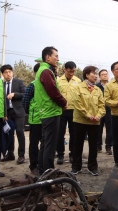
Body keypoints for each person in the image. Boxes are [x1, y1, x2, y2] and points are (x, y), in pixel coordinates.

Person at [34, 46, 67, 174]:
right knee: (50, 144)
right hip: (51, 111)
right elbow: (53, 91)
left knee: (45, 143)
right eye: (56, 56)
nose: (58, 59)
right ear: (48, 57)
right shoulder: (46, 72)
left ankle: (43, 170)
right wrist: (64, 102)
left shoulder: (43, 70)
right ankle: (48, 172)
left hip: (46, 111)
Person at [71, 66, 105, 176]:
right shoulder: (78, 87)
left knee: (93, 145)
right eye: (93, 73)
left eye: (96, 74)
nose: (96, 76)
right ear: (86, 75)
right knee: (78, 144)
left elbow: (102, 106)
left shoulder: (98, 90)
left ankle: (93, 167)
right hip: (80, 120)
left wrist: (99, 115)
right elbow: (77, 103)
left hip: (94, 121)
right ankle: (76, 167)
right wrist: (88, 115)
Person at [0, 64, 26, 164]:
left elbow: (25, 94)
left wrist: (15, 94)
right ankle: (10, 154)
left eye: (9, 72)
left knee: (19, 132)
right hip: (8, 113)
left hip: (19, 111)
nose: (8, 74)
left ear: (12, 72)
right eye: (5, 73)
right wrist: (4, 113)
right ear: (2, 74)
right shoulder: (1, 84)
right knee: (9, 133)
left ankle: (21, 155)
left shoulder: (18, 82)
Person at [56, 61, 81, 164]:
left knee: (74, 133)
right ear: (64, 70)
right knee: (60, 133)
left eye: (73, 71)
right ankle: (60, 154)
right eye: (70, 71)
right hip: (61, 110)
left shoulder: (78, 81)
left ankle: (72, 154)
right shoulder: (58, 81)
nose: (72, 73)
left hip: (74, 110)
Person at [22, 63, 42, 175]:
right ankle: (34, 165)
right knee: (34, 143)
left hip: (47, 119)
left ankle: (43, 164)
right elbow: (25, 102)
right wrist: (32, 113)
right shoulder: (32, 85)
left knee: (45, 144)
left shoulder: (50, 85)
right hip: (35, 120)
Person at [96, 69, 112, 155]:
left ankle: (108, 147)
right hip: (99, 110)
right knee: (99, 129)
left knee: (110, 129)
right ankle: (98, 146)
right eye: (103, 74)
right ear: (99, 76)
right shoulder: (97, 86)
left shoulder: (111, 85)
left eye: (106, 74)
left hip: (109, 110)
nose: (105, 75)